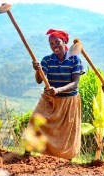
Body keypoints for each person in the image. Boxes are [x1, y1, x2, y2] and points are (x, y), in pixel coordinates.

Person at [26, 29, 84, 160]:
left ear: (64, 42)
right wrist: (38, 70)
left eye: (57, 42)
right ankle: (26, 153)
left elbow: (75, 83)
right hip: (48, 99)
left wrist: (58, 90)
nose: (54, 46)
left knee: (66, 132)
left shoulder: (75, 60)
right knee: (35, 120)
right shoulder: (46, 60)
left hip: (68, 101)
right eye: (51, 43)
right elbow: (39, 80)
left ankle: (67, 160)